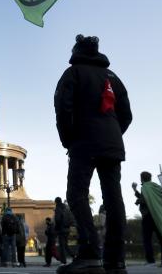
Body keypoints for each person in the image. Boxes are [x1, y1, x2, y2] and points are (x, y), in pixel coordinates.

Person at [54, 34, 133, 274]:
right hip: (112, 145)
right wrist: (112, 135)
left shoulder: (73, 73)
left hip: (83, 143)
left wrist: (69, 139)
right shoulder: (113, 77)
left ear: (77, 50)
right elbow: (127, 114)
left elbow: (63, 109)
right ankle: (115, 260)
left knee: (76, 194)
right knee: (113, 199)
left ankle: (89, 253)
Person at [133, 171, 162, 268]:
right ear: (150, 178)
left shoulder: (145, 187)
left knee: (147, 239)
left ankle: (151, 261)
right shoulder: (157, 187)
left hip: (148, 216)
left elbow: (144, 200)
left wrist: (136, 195)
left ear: (142, 178)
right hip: (159, 216)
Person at [54, 197, 73, 264]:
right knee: (65, 244)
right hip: (67, 229)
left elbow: (57, 219)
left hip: (61, 229)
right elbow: (71, 219)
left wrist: (56, 229)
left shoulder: (58, 208)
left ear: (56, 202)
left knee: (62, 246)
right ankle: (73, 255)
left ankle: (63, 260)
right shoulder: (67, 208)